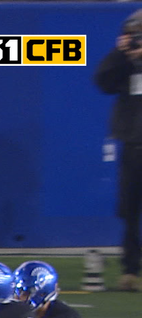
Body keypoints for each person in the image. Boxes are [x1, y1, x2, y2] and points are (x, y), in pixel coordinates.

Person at [94, 9, 142, 292]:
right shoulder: (124, 64)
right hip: (133, 146)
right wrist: (121, 54)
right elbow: (102, 82)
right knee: (130, 211)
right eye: (130, 35)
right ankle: (130, 270)